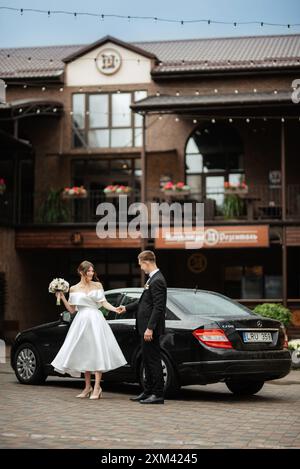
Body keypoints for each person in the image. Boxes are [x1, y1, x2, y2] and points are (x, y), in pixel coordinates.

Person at [51, 260, 126, 400]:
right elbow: (72, 310)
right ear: (81, 272)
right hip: (81, 321)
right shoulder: (73, 289)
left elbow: (103, 303)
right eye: (89, 271)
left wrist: (115, 308)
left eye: (92, 271)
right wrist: (62, 297)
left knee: (97, 351)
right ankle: (87, 387)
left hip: (96, 320)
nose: (91, 273)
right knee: (86, 352)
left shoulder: (97, 285)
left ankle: (97, 387)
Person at [119, 250, 167, 404]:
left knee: (153, 360)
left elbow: (158, 307)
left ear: (146, 262)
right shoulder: (151, 279)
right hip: (144, 328)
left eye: (141, 264)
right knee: (146, 360)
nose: (141, 268)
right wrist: (126, 308)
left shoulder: (158, 280)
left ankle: (158, 394)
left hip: (149, 329)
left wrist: (150, 328)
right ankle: (147, 391)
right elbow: (143, 303)